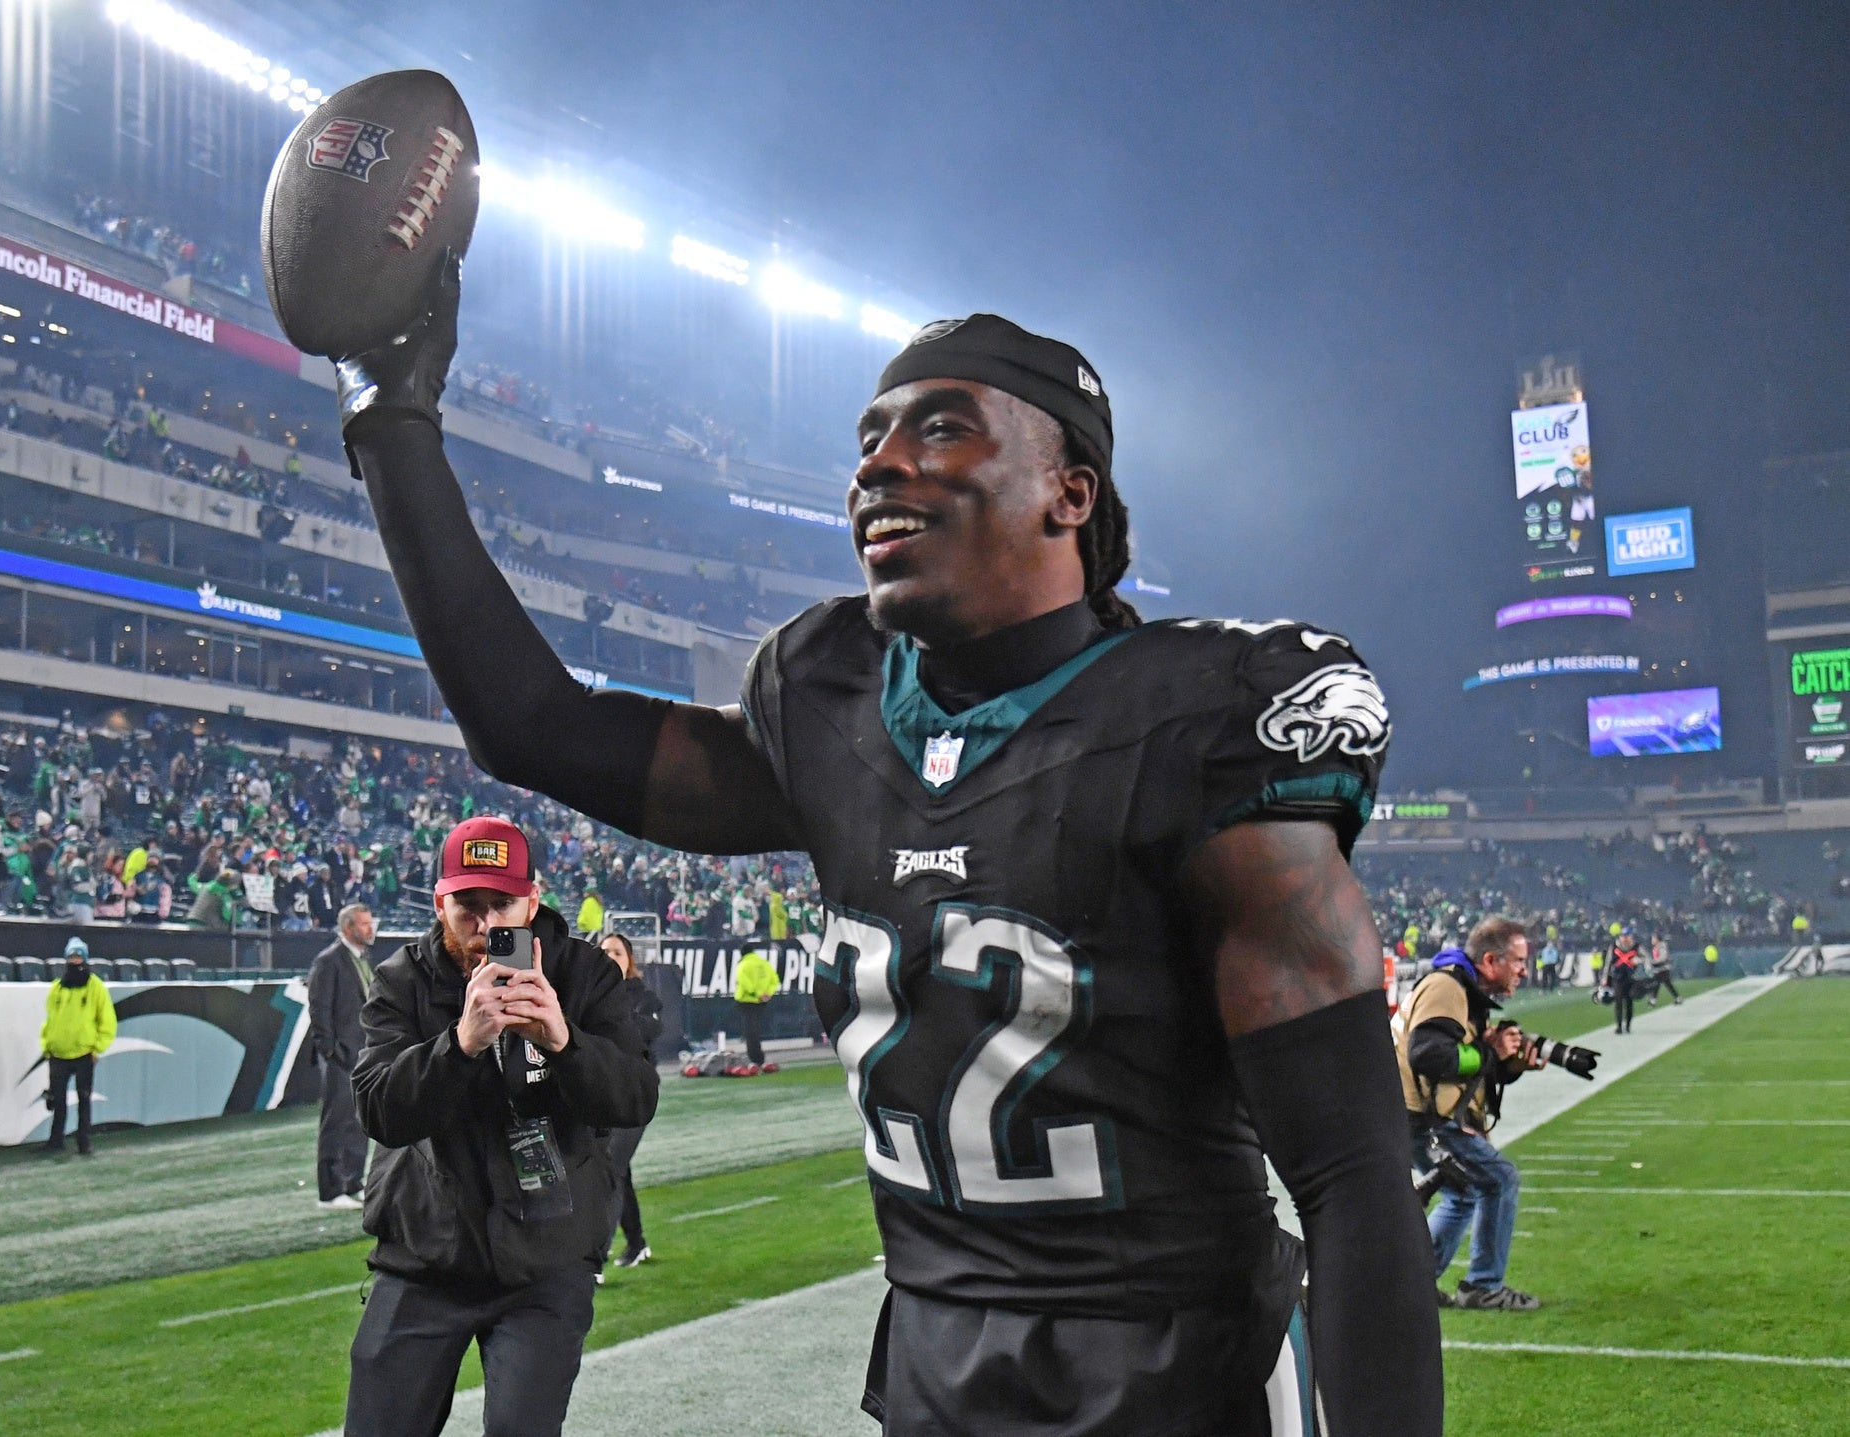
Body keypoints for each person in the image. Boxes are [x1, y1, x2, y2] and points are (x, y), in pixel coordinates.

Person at [327, 243, 1438, 1430]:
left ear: (1070, 492)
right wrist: (390, 415)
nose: (879, 466)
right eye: (868, 440)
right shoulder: (830, 700)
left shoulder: (1196, 718)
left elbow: (1349, 1176)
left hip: (1178, 1373)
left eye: (942, 429)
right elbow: (533, 728)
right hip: (931, 1363)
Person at [345, 817, 658, 1437]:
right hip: (427, 1253)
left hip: (547, 1255)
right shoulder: (402, 981)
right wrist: (460, 1044)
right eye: (468, 907)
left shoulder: (583, 974)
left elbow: (635, 1097)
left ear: (532, 899)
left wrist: (565, 1043)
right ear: (440, 902)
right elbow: (379, 1111)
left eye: (503, 905)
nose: (488, 928)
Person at [1394, 916, 1542, 1311]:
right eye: (1518, 961)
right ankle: (1482, 1285)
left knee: (1462, 1193)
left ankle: (1414, 1285)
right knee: (1499, 1179)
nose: (1524, 971)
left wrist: (1508, 1065)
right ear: (1491, 960)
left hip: (1417, 1115)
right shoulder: (1447, 986)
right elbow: (1427, 1054)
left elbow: (1468, 1068)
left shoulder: (1464, 991)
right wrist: (1489, 1053)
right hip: (1420, 1117)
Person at [308, 902, 378, 1209]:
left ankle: (353, 1182)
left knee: (360, 1120)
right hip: (342, 1056)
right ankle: (330, 1191)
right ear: (348, 928)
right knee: (335, 1122)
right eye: (363, 924)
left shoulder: (363, 959)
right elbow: (319, 1010)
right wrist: (332, 1051)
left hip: (364, 1053)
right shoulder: (329, 961)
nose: (370, 928)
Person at [598, 930, 660, 1274]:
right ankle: (636, 1243)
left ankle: (596, 1259)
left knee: (609, 1169)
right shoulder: (587, 996)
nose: (609, 957)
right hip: (603, 1097)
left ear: (629, 961)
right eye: (603, 951)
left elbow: (646, 1035)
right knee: (620, 1172)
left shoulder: (644, 999)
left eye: (616, 952)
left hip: (635, 1098)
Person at [40, 937, 115, 1155]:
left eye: (78, 956)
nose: (74, 961)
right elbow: (50, 1019)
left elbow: (107, 1020)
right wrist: (47, 1045)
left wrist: (97, 1048)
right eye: (71, 956)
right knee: (58, 1101)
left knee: (84, 1099)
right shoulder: (57, 988)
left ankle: (84, 1142)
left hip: (84, 1053)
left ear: (85, 958)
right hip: (58, 1054)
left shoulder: (96, 987)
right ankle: (56, 1141)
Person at [731, 944, 779, 1071]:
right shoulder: (764, 964)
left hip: (747, 1001)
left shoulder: (742, 965)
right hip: (762, 1002)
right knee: (756, 1030)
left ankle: (755, 1058)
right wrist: (767, 993)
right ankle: (757, 1057)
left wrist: (756, 993)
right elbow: (775, 980)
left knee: (750, 1031)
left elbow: (744, 982)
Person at [1602, 932, 1643, 1034]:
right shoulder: (1614, 947)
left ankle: (1628, 1025)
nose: (1625, 939)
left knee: (1629, 1002)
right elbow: (1608, 963)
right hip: (1618, 978)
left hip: (1632, 978)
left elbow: (1646, 958)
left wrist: (1639, 961)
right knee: (1618, 1001)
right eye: (1623, 936)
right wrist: (1604, 977)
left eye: (1627, 936)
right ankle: (1619, 1026)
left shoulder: (1636, 947)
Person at [1646, 936, 1680, 1006]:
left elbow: (1663, 958)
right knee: (1664, 983)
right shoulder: (1656, 947)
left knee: (1657, 983)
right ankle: (1677, 998)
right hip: (1659, 969)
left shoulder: (1662, 946)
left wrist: (1653, 962)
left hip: (1663, 968)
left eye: (1653, 938)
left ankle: (1653, 1000)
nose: (1652, 940)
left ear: (1657, 940)